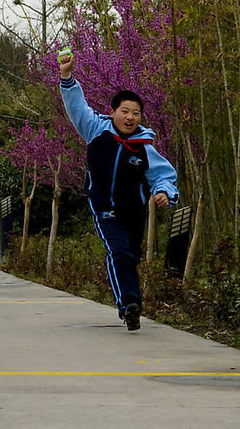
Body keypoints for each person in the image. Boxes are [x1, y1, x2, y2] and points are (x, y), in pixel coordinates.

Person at [59, 53, 178, 331]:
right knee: (119, 252)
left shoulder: (143, 146)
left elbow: (164, 175)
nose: (130, 117)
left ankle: (127, 299)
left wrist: (164, 193)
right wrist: (67, 77)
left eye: (136, 113)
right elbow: (77, 107)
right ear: (113, 112)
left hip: (133, 213)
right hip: (104, 207)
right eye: (125, 111)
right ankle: (130, 306)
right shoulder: (96, 130)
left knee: (129, 256)